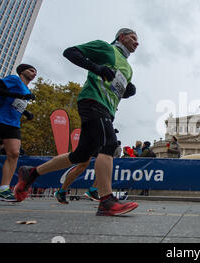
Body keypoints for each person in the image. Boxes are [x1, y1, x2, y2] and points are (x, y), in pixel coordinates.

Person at [14, 28, 139, 217]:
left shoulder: (128, 68)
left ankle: (31, 173)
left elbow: (114, 86)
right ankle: (106, 201)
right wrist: (96, 68)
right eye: (133, 38)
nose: (137, 42)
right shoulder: (107, 48)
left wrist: (127, 90)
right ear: (121, 37)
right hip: (92, 101)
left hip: (108, 108)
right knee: (110, 144)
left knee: (80, 155)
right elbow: (70, 52)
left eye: (138, 40)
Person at [0, 64, 37, 202]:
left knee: (14, 153)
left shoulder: (26, 89)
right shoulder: (14, 79)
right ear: (22, 71)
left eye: (35, 72)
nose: (34, 73)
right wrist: (19, 94)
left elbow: (13, 104)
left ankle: (3, 189)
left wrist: (26, 113)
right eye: (31, 70)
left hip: (12, 124)